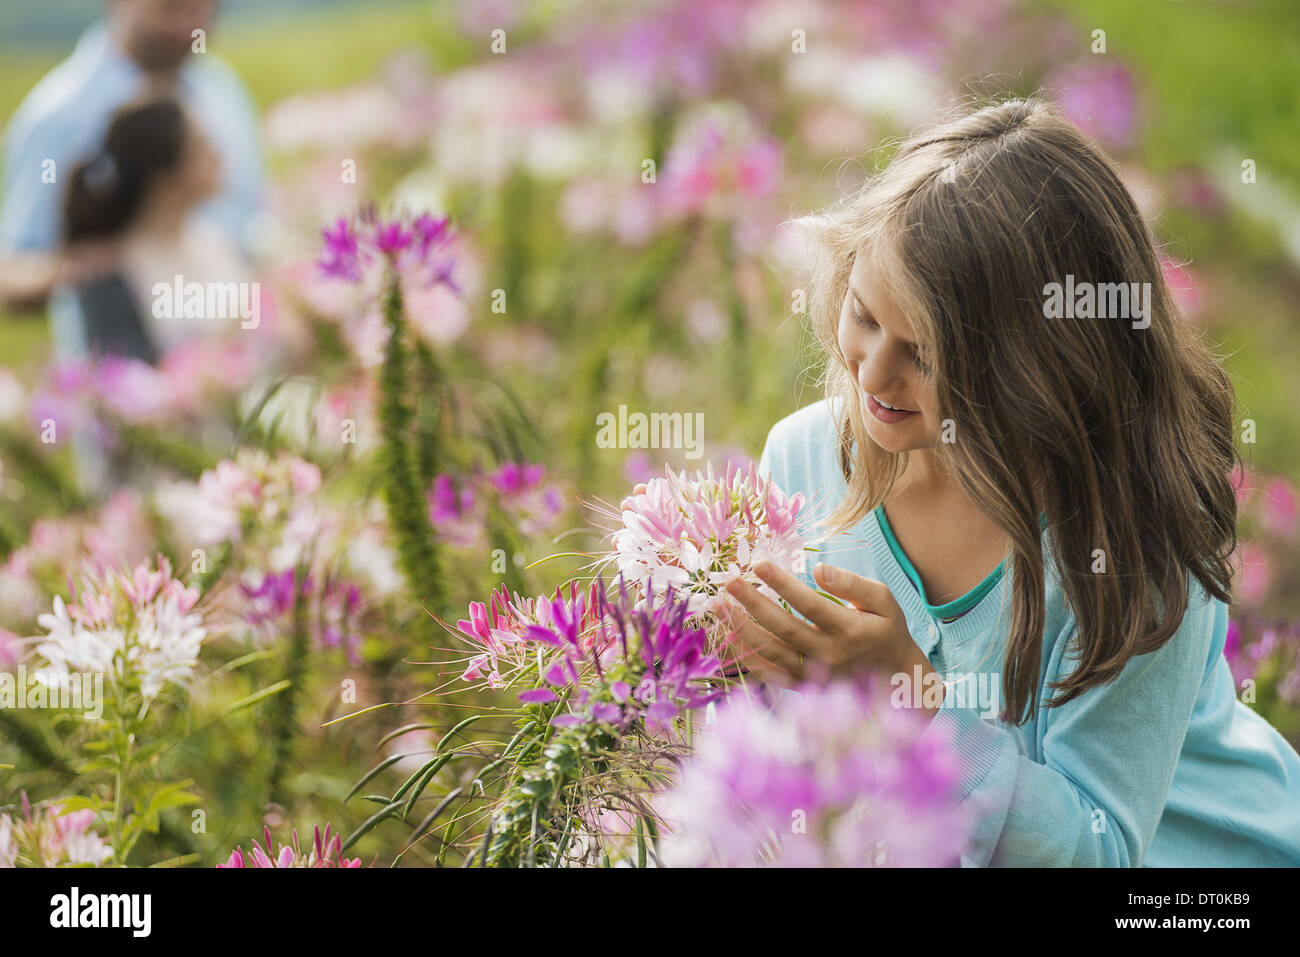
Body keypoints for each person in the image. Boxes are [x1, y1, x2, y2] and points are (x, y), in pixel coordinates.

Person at [722, 97, 1300, 866]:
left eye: (925, 355)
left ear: (1036, 372)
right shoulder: (803, 460)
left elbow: (1099, 850)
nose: (874, 373)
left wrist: (914, 702)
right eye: (864, 316)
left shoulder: (1131, 545)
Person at [0, 0, 263, 357]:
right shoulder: (59, 116)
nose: (188, 29)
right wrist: (92, 268)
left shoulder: (223, 93)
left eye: (204, 13)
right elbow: (9, 273)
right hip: (122, 375)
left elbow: (255, 225)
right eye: (171, 10)